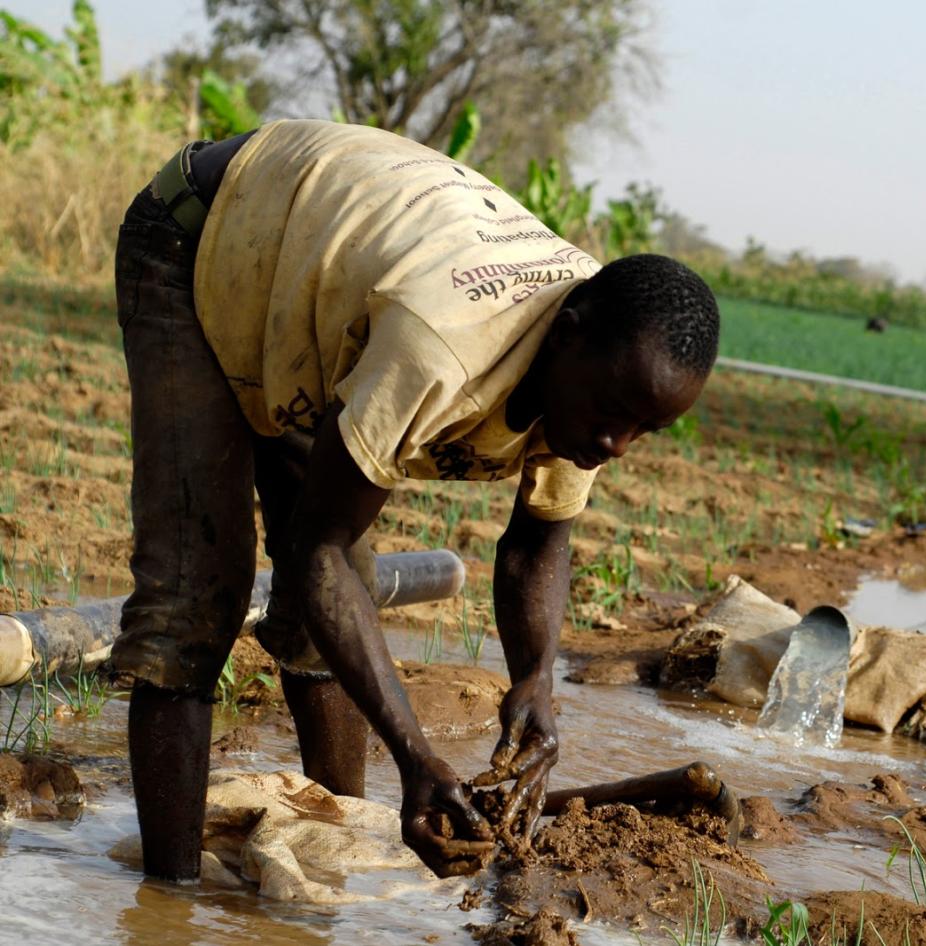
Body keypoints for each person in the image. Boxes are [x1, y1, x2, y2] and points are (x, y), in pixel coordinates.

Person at [109, 119, 720, 882]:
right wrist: (415, 756)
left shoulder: (610, 367)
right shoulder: (444, 346)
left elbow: (538, 542)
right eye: (614, 417)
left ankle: (332, 867)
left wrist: (536, 681)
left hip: (323, 291)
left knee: (336, 611)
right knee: (194, 596)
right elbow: (318, 552)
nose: (617, 444)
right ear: (565, 338)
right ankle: (169, 903)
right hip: (204, 232)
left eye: (644, 430)